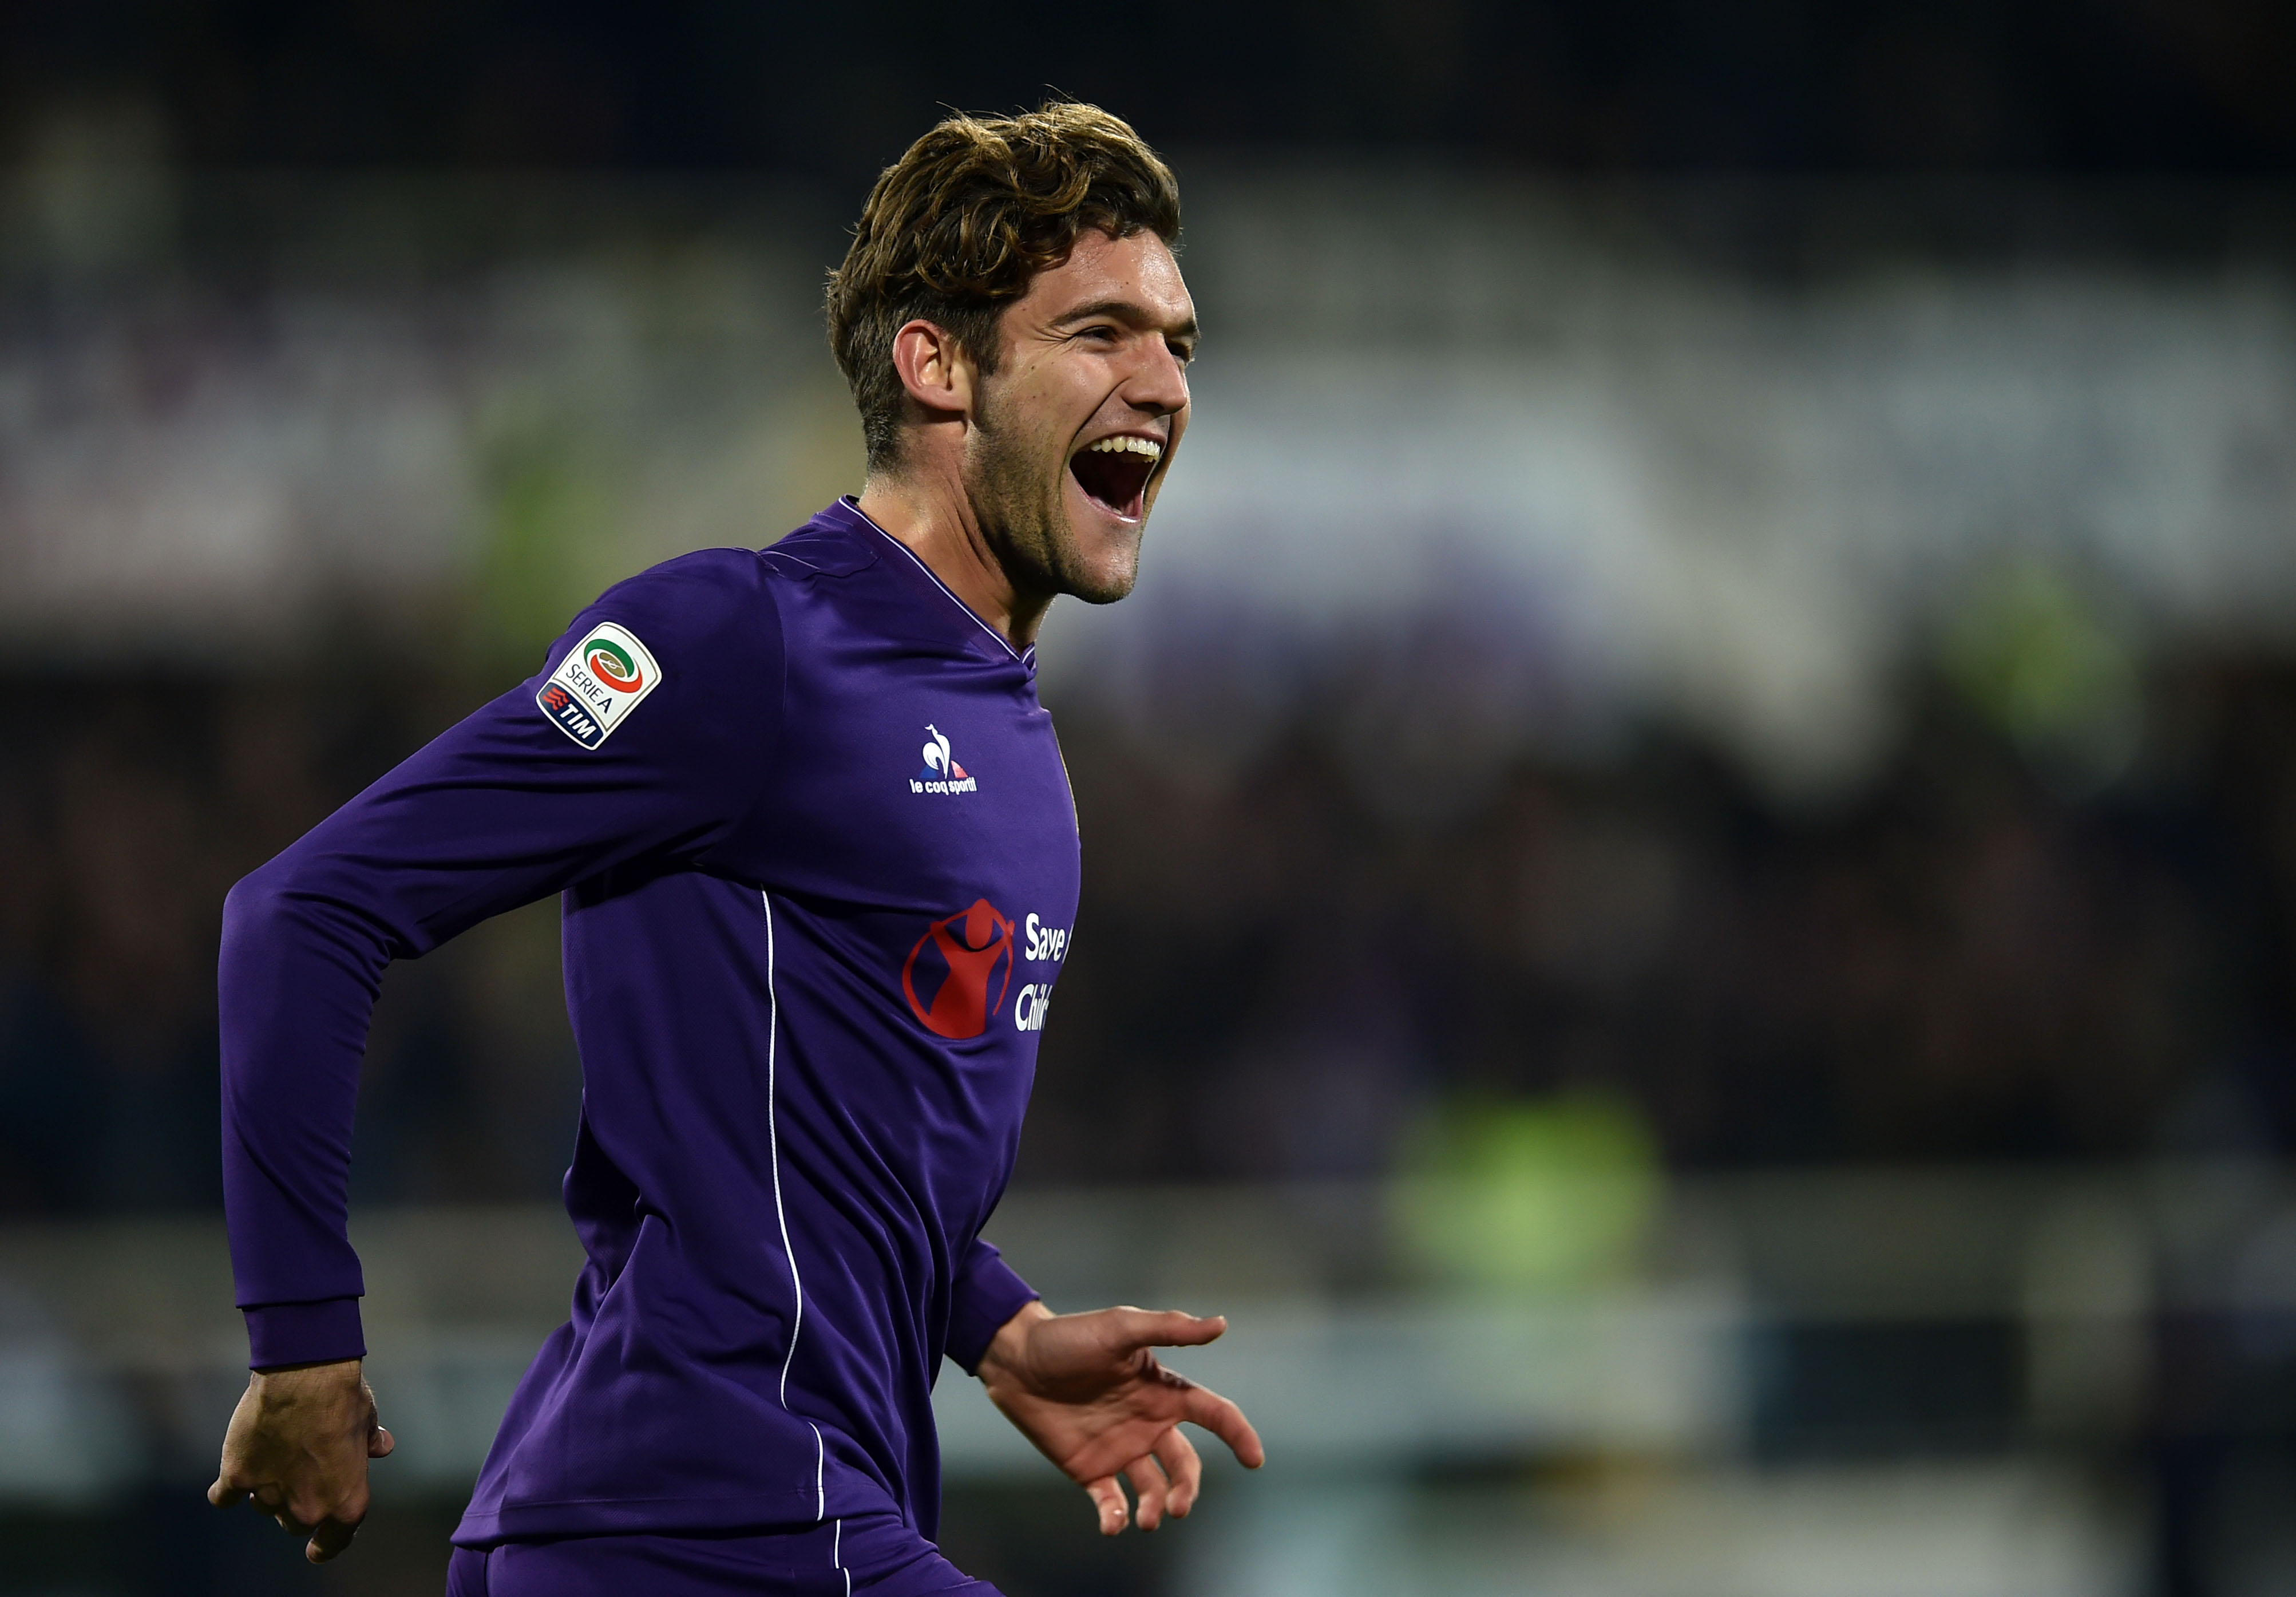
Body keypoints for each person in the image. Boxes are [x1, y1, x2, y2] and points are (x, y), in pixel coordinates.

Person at [207, 102, 1263, 1596]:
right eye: (1100, 332)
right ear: (937, 362)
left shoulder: (1010, 727)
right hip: (692, 1518)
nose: (1162, 378)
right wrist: (304, 1344)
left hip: (786, 1518)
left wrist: (994, 1327)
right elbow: (303, 913)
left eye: (1178, 339)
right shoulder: (736, 641)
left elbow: (804, 1132)